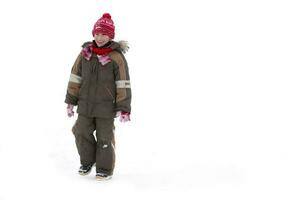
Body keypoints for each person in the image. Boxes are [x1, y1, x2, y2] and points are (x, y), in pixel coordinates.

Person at [64, 13, 131, 181]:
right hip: (85, 104)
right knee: (80, 131)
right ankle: (87, 161)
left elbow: (123, 83)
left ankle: (104, 168)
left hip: (106, 107)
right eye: (97, 33)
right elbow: (75, 77)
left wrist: (123, 108)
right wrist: (71, 101)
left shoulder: (116, 57)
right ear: (93, 34)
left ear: (111, 36)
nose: (100, 37)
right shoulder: (85, 54)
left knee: (105, 138)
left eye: (105, 34)